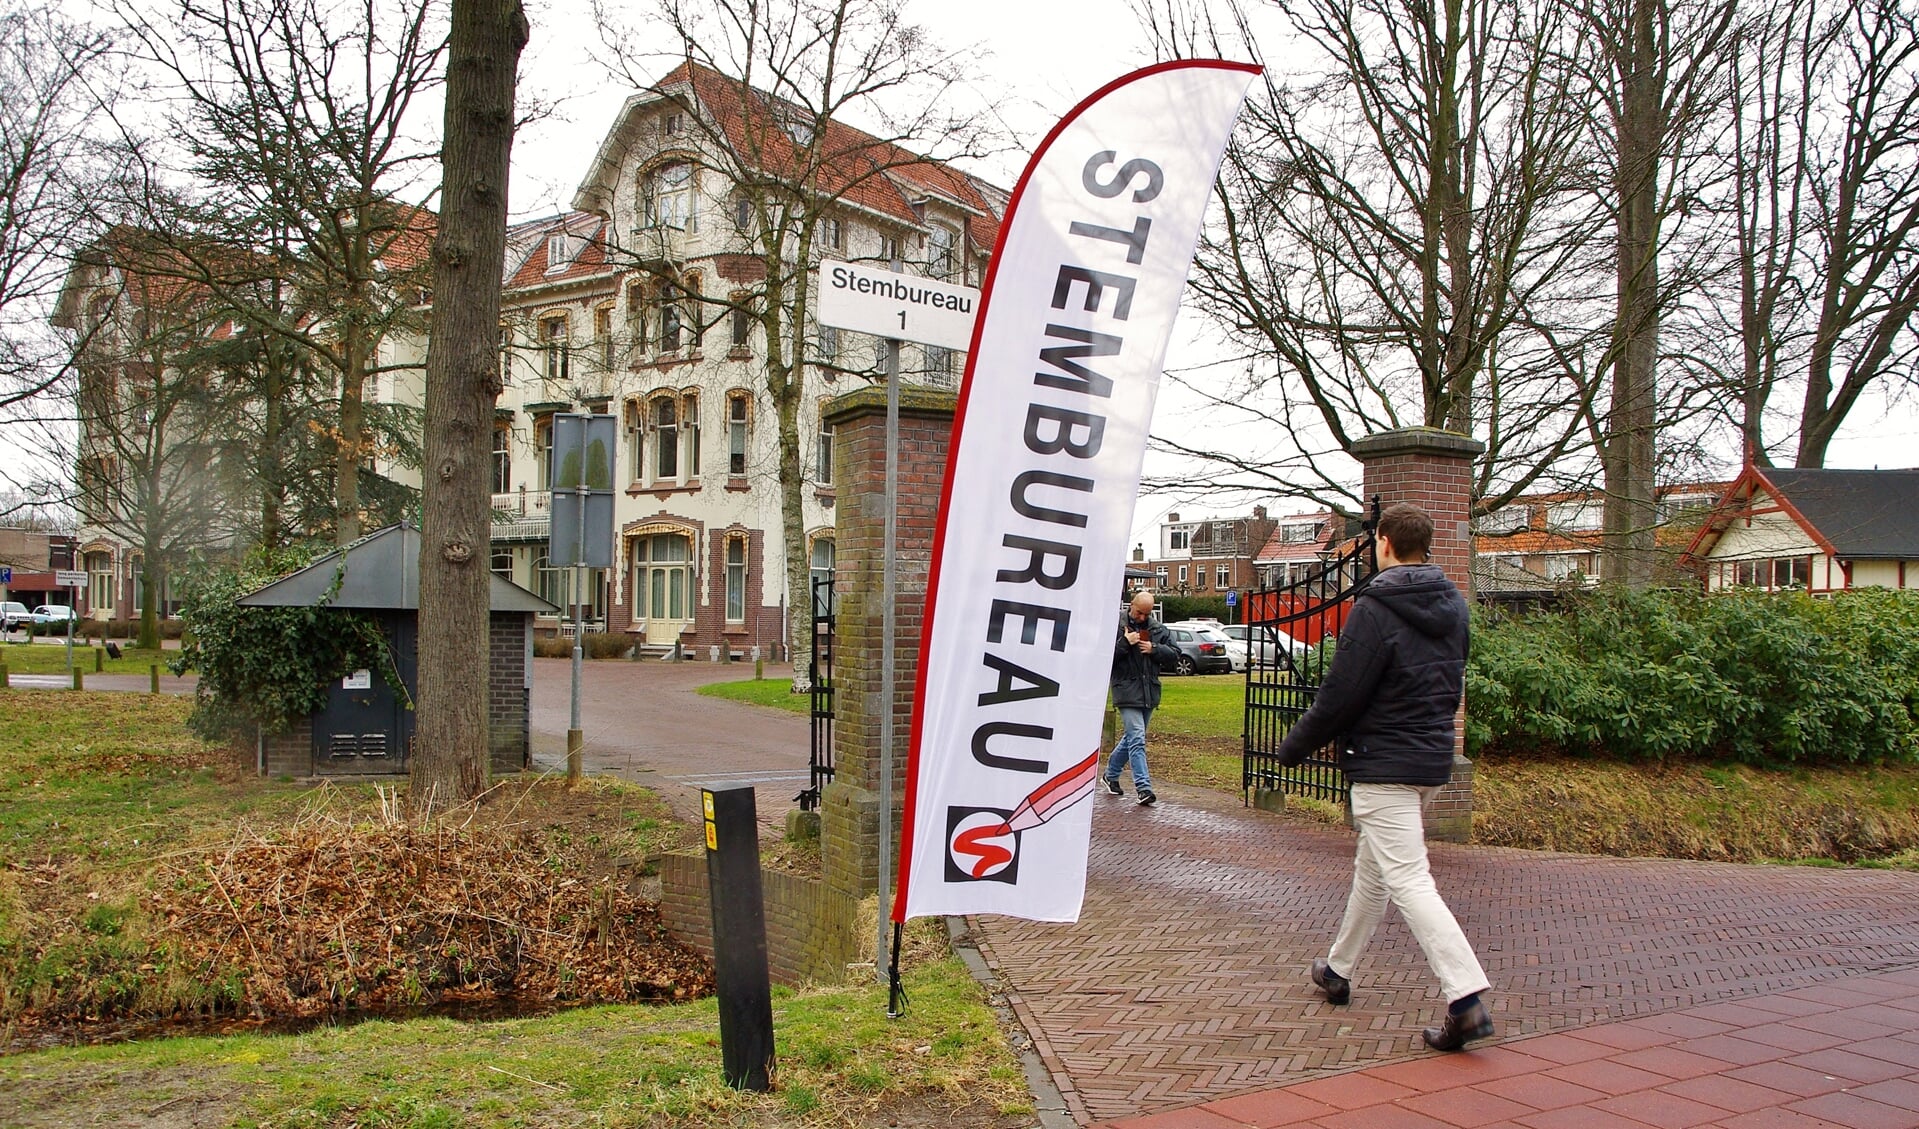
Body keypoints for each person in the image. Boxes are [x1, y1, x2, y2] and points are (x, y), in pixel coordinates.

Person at [1276, 502, 1494, 1052]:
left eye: (1374, 541)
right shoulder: (1455, 607)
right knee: (1375, 871)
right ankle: (1338, 969)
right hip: (1429, 762)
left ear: (1385, 543)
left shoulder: (1375, 608)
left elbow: (1341, 694)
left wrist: (1294, 747)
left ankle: (1465, 997)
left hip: (1382, 764)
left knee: (1410, 880)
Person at [1105, 590, 1177, 807]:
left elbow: (1174, 654)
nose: (1143, 618)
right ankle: (1143, 788)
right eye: (1139, 613)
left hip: (1149, 692)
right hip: (1126, 690)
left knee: (1132, 738)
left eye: (1147, 614)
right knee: (1137, 738)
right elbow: (1104, 658)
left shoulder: (1157, 629)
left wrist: (1154, 649)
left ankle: (1110, 774)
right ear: (1131, 606)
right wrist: (1125, 642)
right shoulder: (1115, 626)